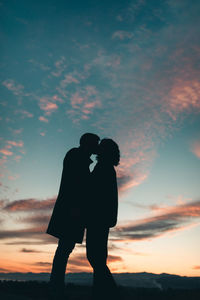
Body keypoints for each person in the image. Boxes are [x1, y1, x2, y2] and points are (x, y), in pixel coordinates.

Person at [46, 133, 100, 299]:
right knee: (64, 250)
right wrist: (76, 209)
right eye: (95, 144)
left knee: (64, 249)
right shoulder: (77, 157)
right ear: (87, 144)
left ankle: (56, 289)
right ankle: (56, 290)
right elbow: (78, 186)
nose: (96, 148)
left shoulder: (78, 157)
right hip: (71, 212)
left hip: (72, 211)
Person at [86, 138, 120, 300]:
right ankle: (100, 294)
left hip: (98, 219)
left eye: (102, 147)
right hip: (100, 219)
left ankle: (111, 293)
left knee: (95, 258)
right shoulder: (106, 167)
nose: (98, 148)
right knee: (97, 258)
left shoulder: (104, 167)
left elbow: (95, 192)